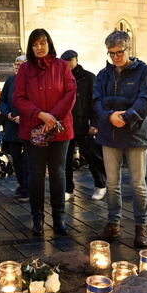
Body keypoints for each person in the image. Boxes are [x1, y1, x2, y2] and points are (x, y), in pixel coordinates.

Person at [94, 30, 147, 248]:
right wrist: (109, 116)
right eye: (111, 53)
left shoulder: (144, 72)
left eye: (119, 52)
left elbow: (146, 101)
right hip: (109, 134)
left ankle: (141, 227)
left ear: (129, 49)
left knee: (138, 184)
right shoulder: (103, 75)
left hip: (135, 134)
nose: (116, 57)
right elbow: (97, 101)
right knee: (112, 184)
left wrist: (126, 117)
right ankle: (113, 224)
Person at [13, 28, 76, 237]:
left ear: (49, 44)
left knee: (58, 174)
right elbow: (19, 98)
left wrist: (53, 117)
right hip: (34, 129)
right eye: (35, 44)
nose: (40, 47)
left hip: (59, 128)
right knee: (36, 175)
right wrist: (40, 114)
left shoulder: (61, 66)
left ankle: (58, 218)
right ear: (31, 47)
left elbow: (70, 93)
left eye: (43, 43)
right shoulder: (24, 69)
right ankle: (37, 218)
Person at [61, 50, 107, 201]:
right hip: (67, 124)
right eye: (65, 61)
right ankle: (68, 189)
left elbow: (95, 101)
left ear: (76, 60)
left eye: (70, 60)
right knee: (66, 159)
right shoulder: (62, 77)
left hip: (84, 124)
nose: (67, 64)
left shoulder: (88, 77)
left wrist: (94, 123)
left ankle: (101, 184)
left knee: (91, 155)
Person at [0, 55, 29, 202]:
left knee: (28, 159)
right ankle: (22, 185)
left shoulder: (32, 80)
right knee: (16, 159)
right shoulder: (10, 81)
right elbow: (3, 100)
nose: (17, 66)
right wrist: (9, 114)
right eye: (16, 64)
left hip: (28, 125)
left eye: (21, 64)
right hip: (12, 125)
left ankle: (27, 188)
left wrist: (24, 116)